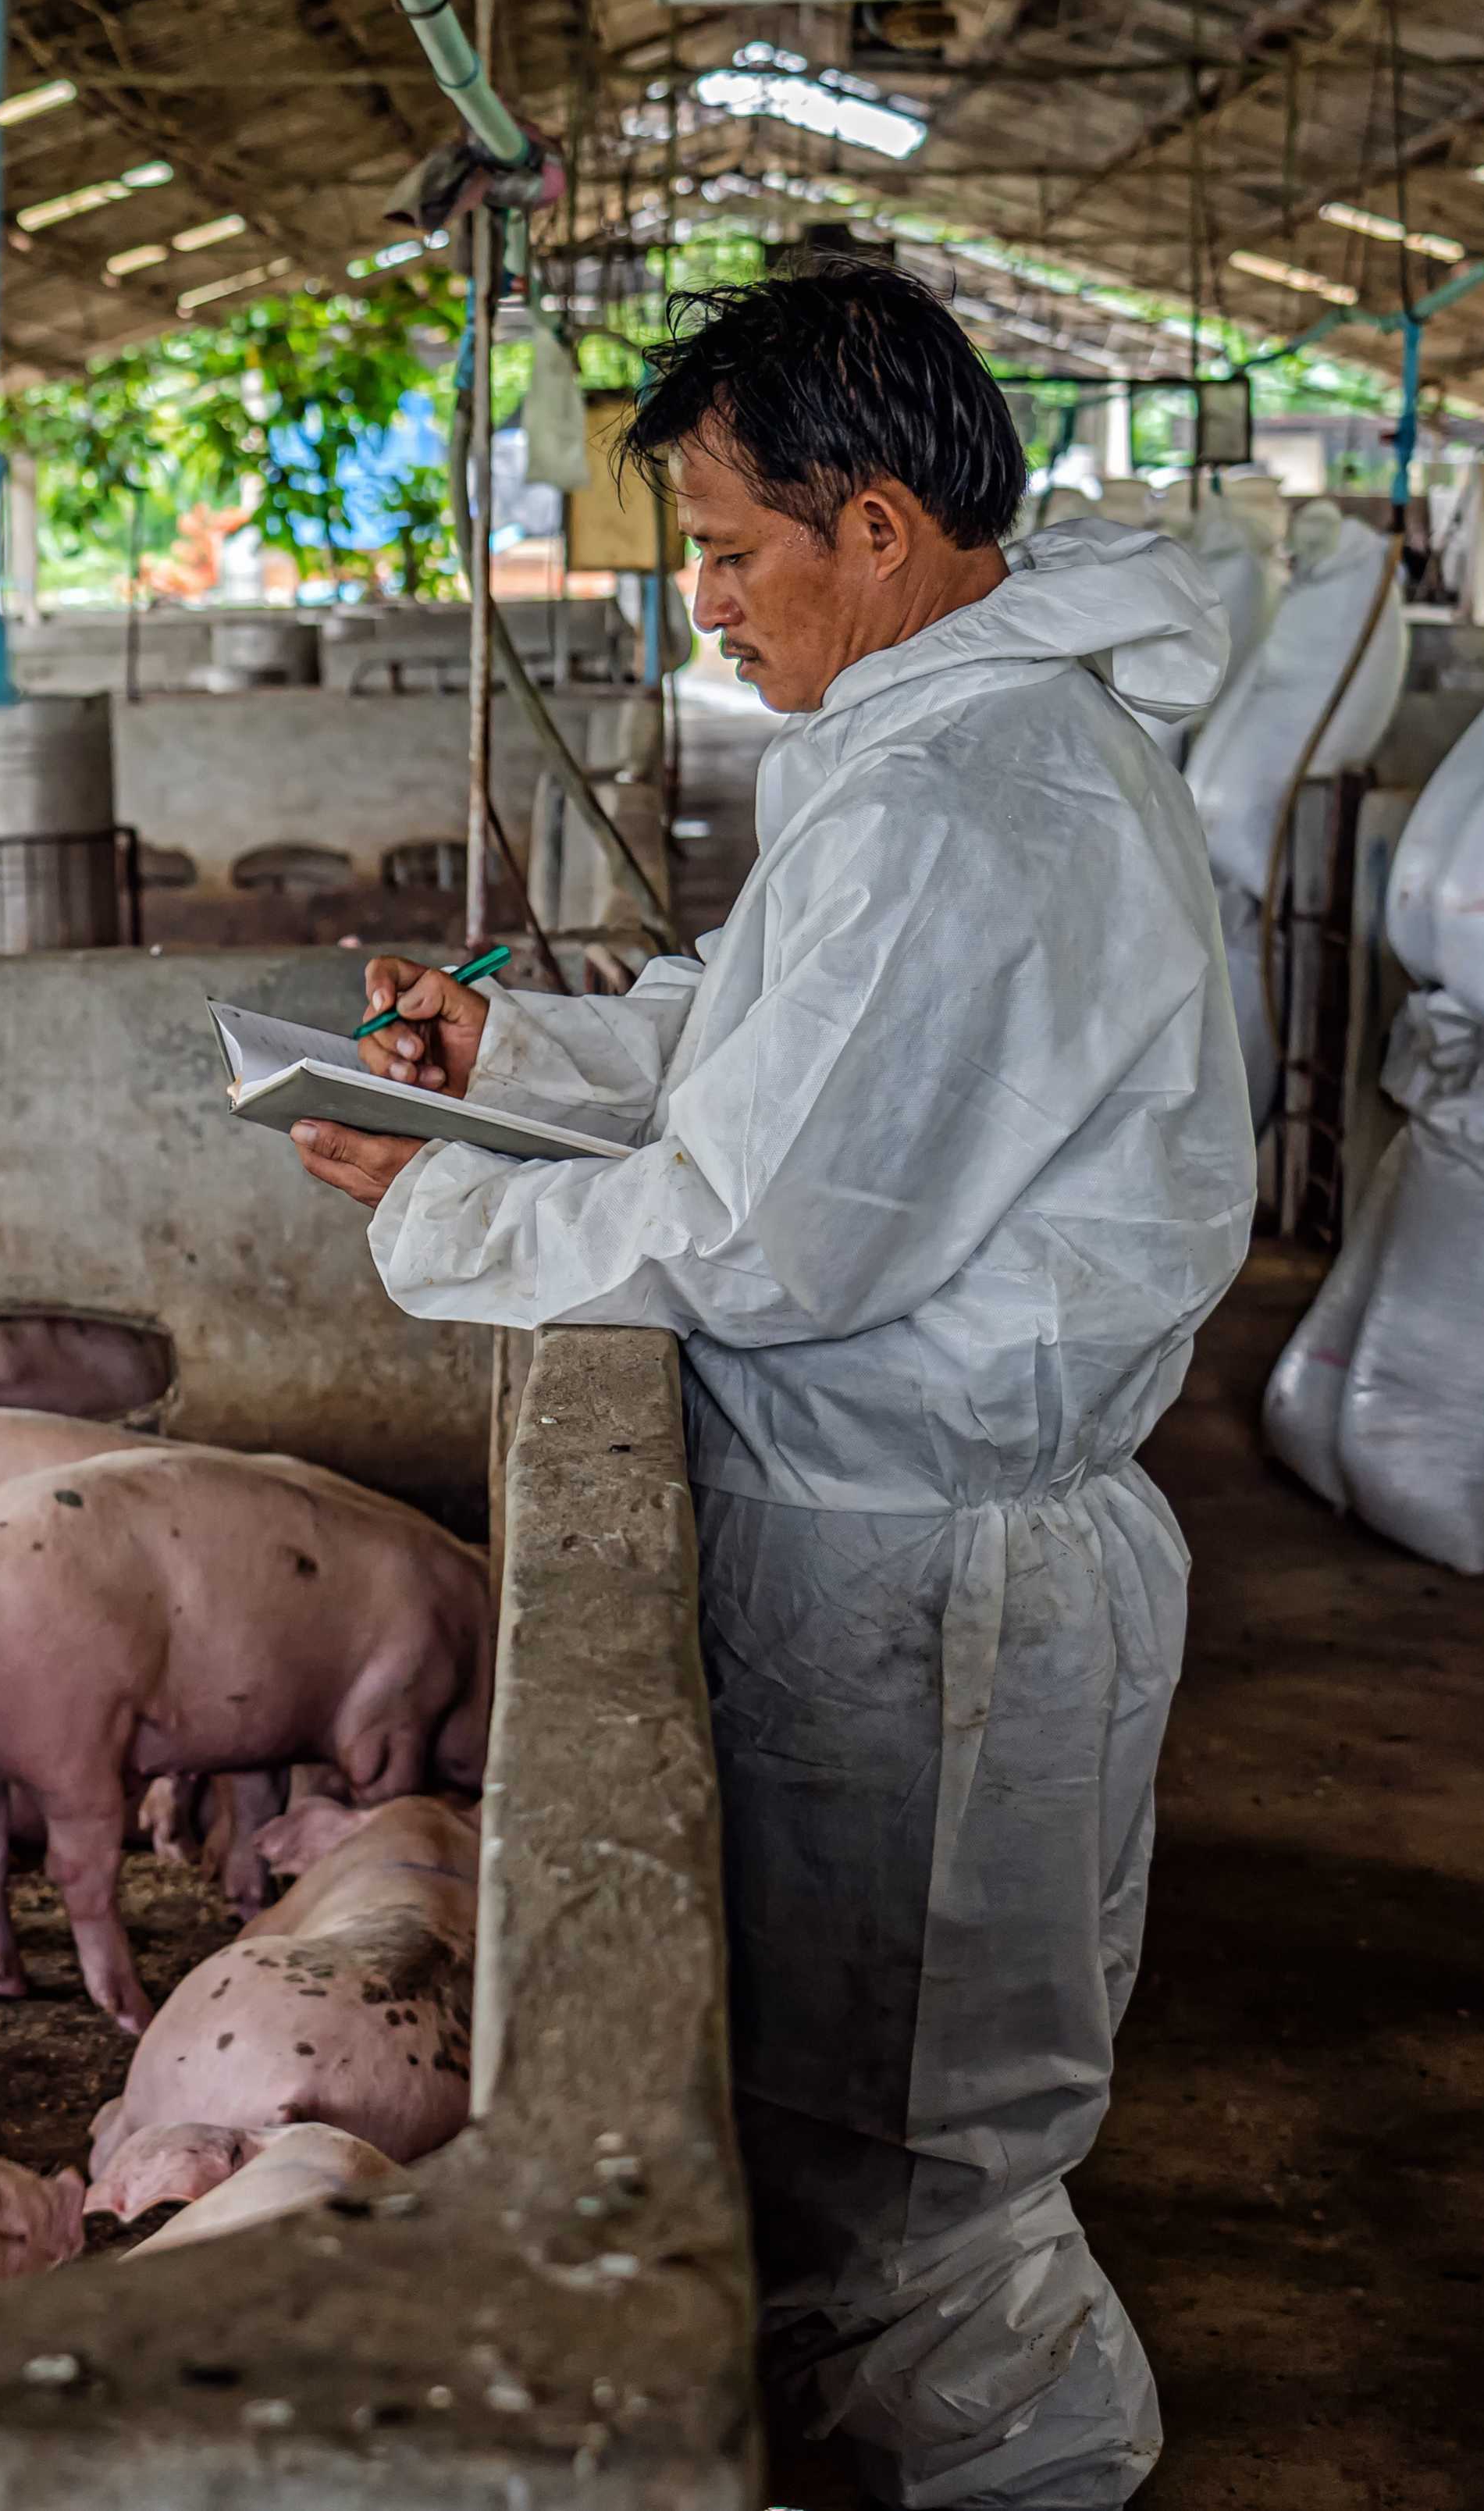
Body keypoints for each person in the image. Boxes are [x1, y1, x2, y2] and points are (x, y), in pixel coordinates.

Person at [287, 259, 1254, 2509]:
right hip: (906, 1547)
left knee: (927, 2190)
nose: (705, 603)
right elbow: (765, 1035)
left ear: (882, 529)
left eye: (730, 551)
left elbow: (763, 1228)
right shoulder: (941, 747)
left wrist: (438, 1214)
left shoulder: (952, 804)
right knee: (866, 2156)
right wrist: (509, 1055)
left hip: (934, 1585)